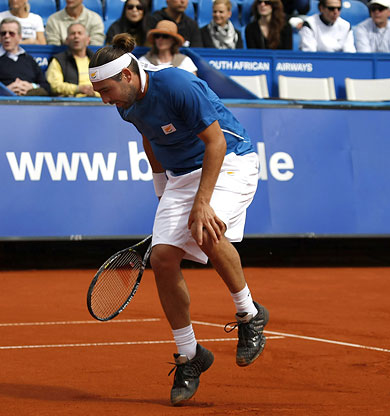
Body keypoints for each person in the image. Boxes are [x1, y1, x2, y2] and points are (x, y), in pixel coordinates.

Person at [89, 33, 269, 406]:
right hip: (180, 176)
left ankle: (249, 314)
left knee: (204, 227)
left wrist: (201, 203)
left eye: (106, 90)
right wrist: (162, 192)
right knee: (162, 257)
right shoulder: (125, 104)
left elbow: (216, 142)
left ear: (127, 76)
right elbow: (150, 140)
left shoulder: (177, 84)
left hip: (231, 160)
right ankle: (190, 355)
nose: (104, 100)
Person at [0, 18, 50, 95]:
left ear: (20, 37)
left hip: (29, 100)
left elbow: (47, 87)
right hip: (3, 101)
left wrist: (32, 86)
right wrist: (4, 90)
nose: (7, 36)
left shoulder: (29, 60)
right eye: (3, 33)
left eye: (11, 33)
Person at [46, 22, 98, 97]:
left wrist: (95, 93)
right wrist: (78, 89)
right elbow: (54, 86)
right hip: (70, 102)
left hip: (97, 101)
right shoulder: (58, 60)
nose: (76, 36)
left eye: (80, 33)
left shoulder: (97, 60)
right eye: (72, 33)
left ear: (88, 40)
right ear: (67, 40)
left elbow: (108, 84)